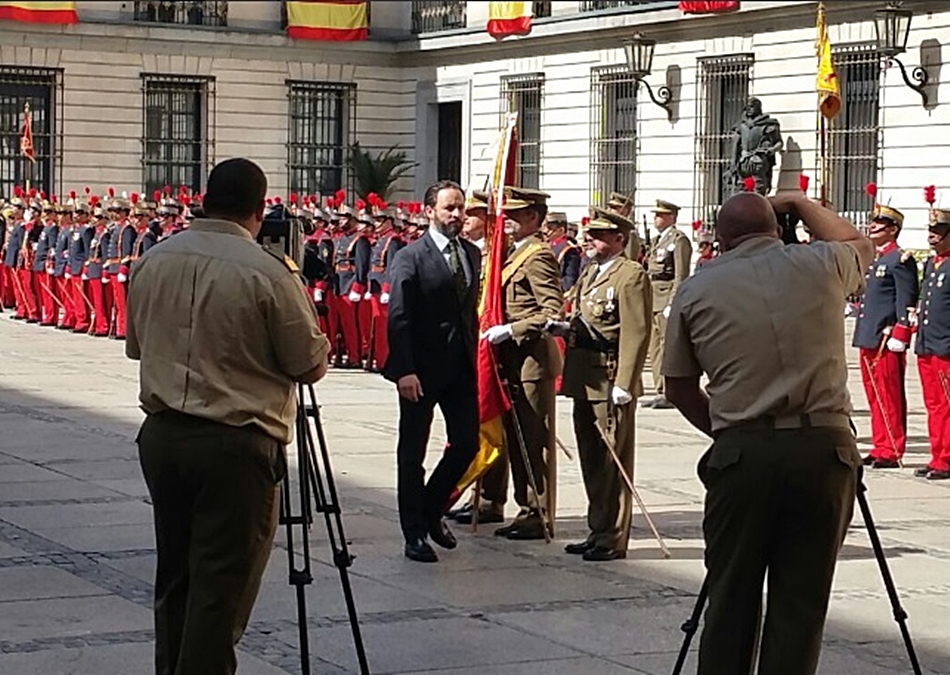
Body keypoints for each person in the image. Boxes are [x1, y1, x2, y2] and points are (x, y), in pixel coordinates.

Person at [126, 157, 329, 675]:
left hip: (164, 434)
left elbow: (136, 347)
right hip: (235, 444)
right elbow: (308, 364)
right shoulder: (267, 271)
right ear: (259, 211)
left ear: (205, 199)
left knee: (175, 575)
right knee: (220, 590)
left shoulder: (155, 259)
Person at [662, 191, 873, 675]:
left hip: (744, 449)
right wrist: (798, 202)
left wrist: (725, 430)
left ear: (720, 238)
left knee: (731, 595)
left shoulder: (697, 289)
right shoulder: (822, 264)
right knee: (801, 601)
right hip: (824, 449)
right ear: (777, 228)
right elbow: (859, 241)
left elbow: (678, 386)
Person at [385, 179, 481, 563]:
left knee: (467, 445)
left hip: (460, 367)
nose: (457, 215)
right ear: (430, 212)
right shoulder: (410, 257)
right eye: (449, 209)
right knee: (413, 453)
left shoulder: (471, 254)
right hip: (420, 371)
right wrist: (404, 370)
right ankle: (414, 533)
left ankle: (430, 508)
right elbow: (399, 318)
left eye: (461, 208)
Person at [557, 207, 652, 561]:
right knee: (591, 457)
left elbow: (637, 330)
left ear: (618, 240)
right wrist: (564, 328)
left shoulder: (630, 275)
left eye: (598, 236)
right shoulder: (591, 272)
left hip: (610, 376)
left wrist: (626, 381)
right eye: (590, 234)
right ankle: (597, 527)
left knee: (613, 460)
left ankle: (613, 536)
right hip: (585, 376)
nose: (589, 240)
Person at [484, 186, 564, 541]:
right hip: (511, 359)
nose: (508, 221)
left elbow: (551, 311)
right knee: (515, 438)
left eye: (515, 215)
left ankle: (537, 511)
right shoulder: (512, 253)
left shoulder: (538, 256)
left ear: (533, 217)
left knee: (532, 440)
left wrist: (510, 329)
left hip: (531, 361)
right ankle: (521, 504)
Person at [852, 204, 918, 469]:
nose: (873, 226)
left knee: (889, 395)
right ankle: (881, 445)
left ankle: (891, 447)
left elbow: (907, 299)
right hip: (870, 335)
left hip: (885, 336)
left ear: (893, 230)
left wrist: (901, 331)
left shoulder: (900, 260)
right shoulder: (878, 259)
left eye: (879, 224)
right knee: (875, 395)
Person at [913, 208, 950, 481]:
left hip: (945, 345)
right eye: (930, 231)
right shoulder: (931, 263)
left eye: (938, 233)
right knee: (933, 404)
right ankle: (937, 455)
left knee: (947, 405)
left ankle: (946, 458)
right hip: (928, 343)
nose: (931, 237)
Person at [644, 199, 691, 409]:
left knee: (665, 345)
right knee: (654, 346)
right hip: (653, 297)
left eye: (660, 215)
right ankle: (659, 388)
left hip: (665, 298)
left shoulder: (678, 240)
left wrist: (673, 301)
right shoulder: (656, 240)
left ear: (671, 217)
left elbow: (681, 274)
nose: (656, 219)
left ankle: (668, 391)